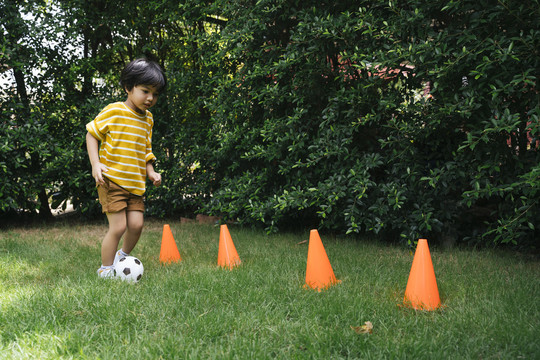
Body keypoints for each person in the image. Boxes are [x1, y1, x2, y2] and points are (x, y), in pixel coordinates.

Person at [86, 57, 166, 278]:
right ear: (128, 88)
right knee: (119, 227)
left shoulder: (148, 120)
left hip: (135, 183)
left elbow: (146, 150)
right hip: (111, 180)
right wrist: (96, 164)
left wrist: (151, 172)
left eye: (155, 94)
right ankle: (105, 268)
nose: (150, 98)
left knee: (137, 225)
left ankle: (121, 257)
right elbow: (92, 134)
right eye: (145, 91)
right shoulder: (114, 111)